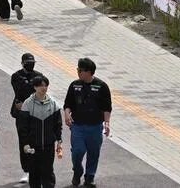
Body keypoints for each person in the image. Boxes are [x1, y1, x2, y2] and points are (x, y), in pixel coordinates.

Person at [63, 58, 111, 188]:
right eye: (77, 69)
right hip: (78, 126)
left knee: (93, 152)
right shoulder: (74, 85)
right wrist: (67, 115)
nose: (78, 72)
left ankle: (90, 177)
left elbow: (107, 107)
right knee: (78, 151)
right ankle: (77, 171)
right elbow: (68, 104)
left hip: (95, 127)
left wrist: (107, 123)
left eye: (80, 70)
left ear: (89, 72)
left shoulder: (102, 86)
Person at [19, 75, 63, 188]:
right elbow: (23, 127)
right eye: (41, 85)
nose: (44, 88)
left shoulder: (53, 104)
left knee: (48, 172)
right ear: (35, 87)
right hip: (33, 146)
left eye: (45, 85)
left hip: (48, 146)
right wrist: (25, 143)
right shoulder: (27, 104)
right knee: (34, 174)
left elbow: (58, 125)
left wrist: (59, 141)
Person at [11, 54, 43, 179]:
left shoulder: (39, 75)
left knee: (37, 141)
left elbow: (40, 91)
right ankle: (27, 170)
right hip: (22, 114)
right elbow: (21, 89)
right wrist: (33, 86)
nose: (31, 65)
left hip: (36, 113)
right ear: (22, 63)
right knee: (24, 142)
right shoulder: (16, 76)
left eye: (32, 62)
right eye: (28, 62)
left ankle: (36, 168)